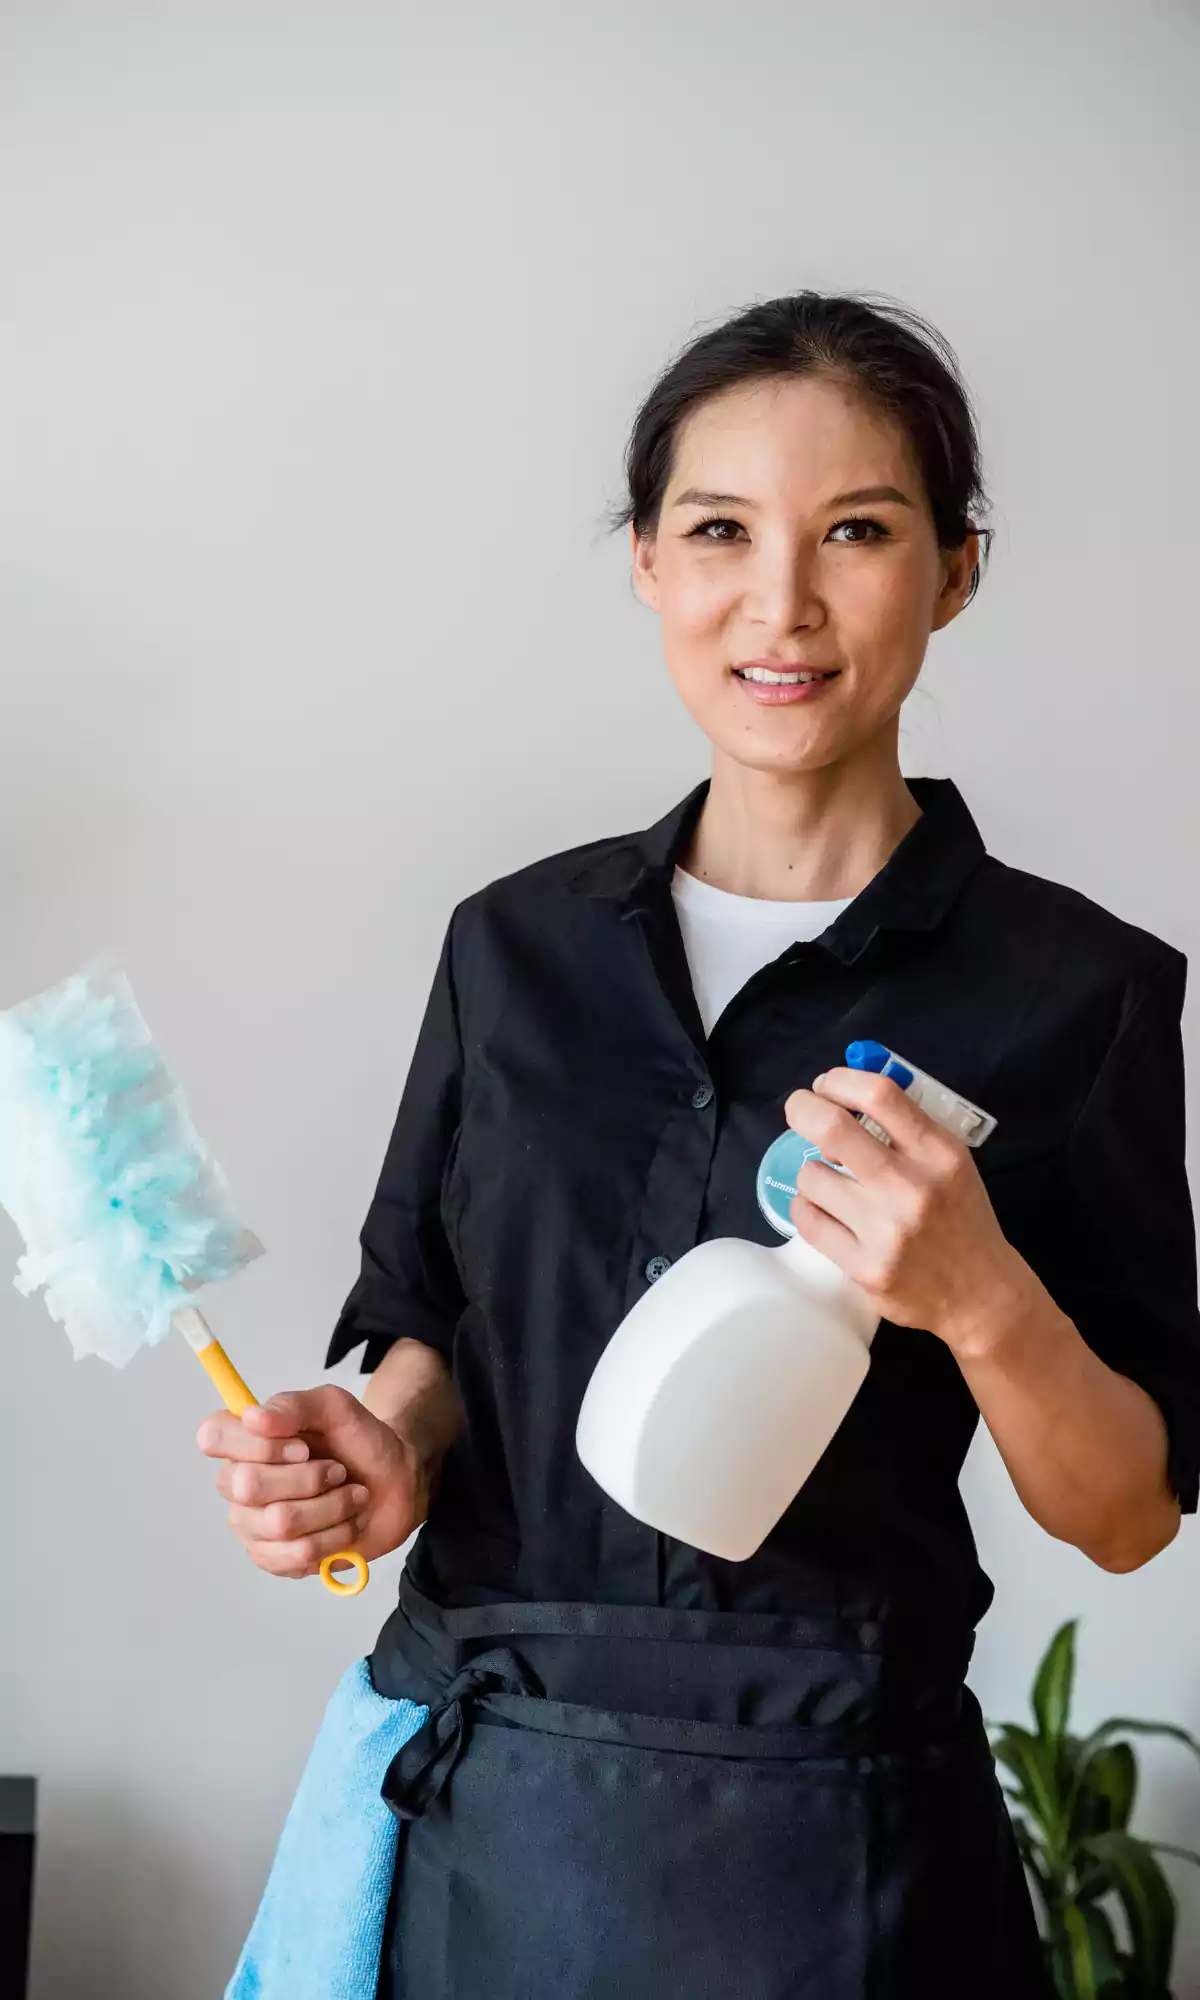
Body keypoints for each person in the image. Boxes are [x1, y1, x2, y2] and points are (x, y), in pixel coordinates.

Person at [199, 292, 1200, 1998]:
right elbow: (428, 1322)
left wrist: (982, 1300)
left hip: (845, 1850)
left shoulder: (1077, 992)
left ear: (956, 571)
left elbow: (1125, 1514)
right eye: (720, 530)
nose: (781, 602)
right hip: (488, 1822)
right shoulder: (512, 947)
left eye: (858, 533)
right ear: (649, 566)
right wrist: (382, 1445)